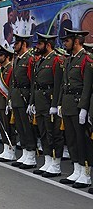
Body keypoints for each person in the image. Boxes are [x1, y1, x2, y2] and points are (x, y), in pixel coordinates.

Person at [57, 28, 93, 188]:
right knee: (71, 139)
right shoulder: (69, 60)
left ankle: (86, 173)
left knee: (81, 140)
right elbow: (63, 85)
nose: (65, 43)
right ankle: (77, 170)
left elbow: (87, 86)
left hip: (78, 105)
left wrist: (84, 108)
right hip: (68, 104)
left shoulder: (87, 59)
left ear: (76, 41)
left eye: (67, 40)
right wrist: (59, 104)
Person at [29, 33, 64, 177]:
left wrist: (55, 104)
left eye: (40, 44)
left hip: (49, 101)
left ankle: (56, 164)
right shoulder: (41, 61)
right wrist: (32, 102)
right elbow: (35, 84)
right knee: (43, 132)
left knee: (53, 133)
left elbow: (58, 84)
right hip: (40, 101)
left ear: (48, 45)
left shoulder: (56, 60)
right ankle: (48, 161)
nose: (37, 47)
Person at [10, 33, 37, 169]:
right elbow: (12, 81)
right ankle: (25, 153)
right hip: (16, 96)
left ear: (24, 44)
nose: (14, 46)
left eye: (17, 43)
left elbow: (33, 82)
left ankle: (31, 155)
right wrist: (10, 97)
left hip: (25, 96)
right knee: (20, 127)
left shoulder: (30, 60)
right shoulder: (17, 59)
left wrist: (31, 101)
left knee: (27, 127)